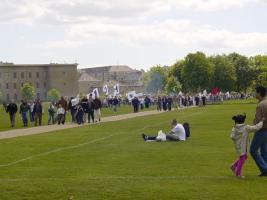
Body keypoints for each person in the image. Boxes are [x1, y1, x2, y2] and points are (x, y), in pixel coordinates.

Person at [230, 113, 264, 178]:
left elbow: (232, 137)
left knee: (244, 157)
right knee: (242, 158)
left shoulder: (234, 128)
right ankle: (238, 174)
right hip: (242, 146)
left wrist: (238, 139)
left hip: (238, 146)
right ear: (243, 120)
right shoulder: (246, 127)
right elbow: (256, 128)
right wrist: (261, 122)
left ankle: (233, 166)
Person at [250, 86, 267, 176]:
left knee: (253, 150)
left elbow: (258, 120)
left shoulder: (261, 105)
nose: (254, 93)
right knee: (264, 150)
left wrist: (249, 128)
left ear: (259, 93)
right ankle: (265, 170)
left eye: (255, 92)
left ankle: (265, 169)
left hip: (261, 130)